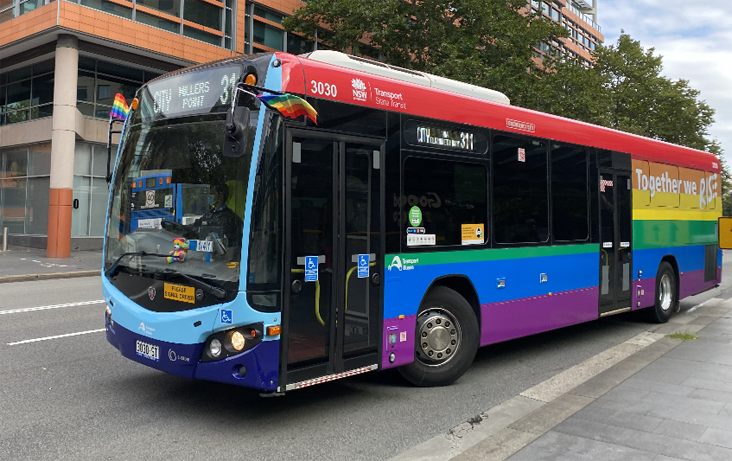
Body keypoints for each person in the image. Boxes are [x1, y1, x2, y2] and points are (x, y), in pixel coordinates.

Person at [193, 183, 243, 251]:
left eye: (212, 194)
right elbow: (196, 225)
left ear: (220, 197)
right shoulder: (210, 213)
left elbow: (217, 236)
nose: (209, 196)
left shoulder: (229, 217)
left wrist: (199, 231)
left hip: (226, 256)